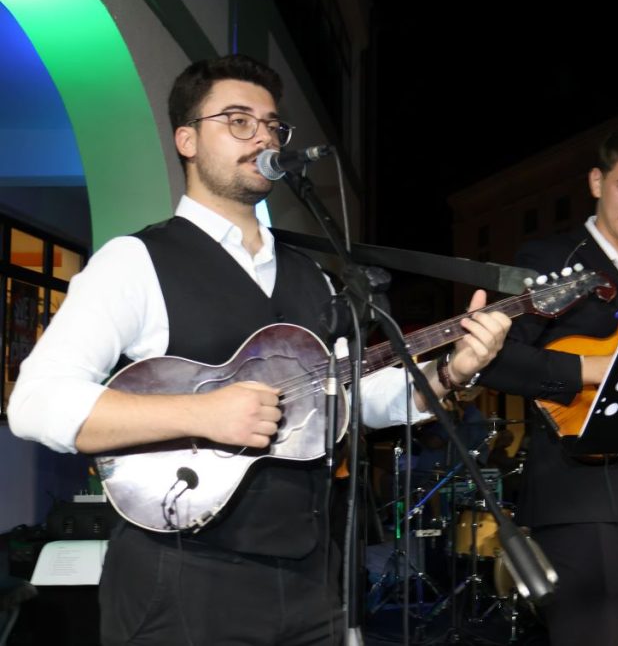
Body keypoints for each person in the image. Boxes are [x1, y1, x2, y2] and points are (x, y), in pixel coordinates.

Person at [8, 54, 510, 646]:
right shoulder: (135, 262)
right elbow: (35, 404)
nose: (263, 137)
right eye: (238, 121)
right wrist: (201, 413)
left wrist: (450, 371)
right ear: (187, 140)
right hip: (182, 578)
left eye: (271, 125)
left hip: (310, 578)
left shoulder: (314, 277)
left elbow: (347, 399)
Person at [478, 125, 618, 645]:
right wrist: (592, 369)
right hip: (577, 485)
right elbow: (496, 361)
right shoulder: (550, 259)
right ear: (597, 182)